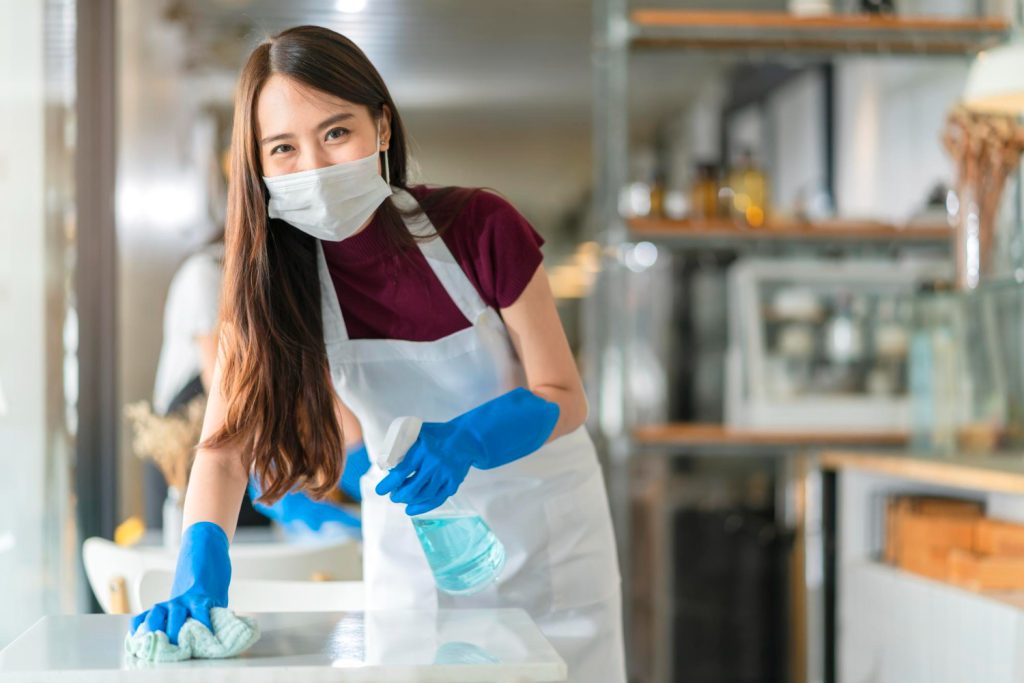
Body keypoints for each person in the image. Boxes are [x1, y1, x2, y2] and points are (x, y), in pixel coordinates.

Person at [131, 25, 625, 681]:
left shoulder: (480, 227)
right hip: (415, 547)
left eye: (337, 132)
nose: (315, 166)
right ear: (257, 166)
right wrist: (197, 565)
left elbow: (564, 394)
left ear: (382, 128)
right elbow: (224, 448)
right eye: (283, 148)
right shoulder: (273, 283)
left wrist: (472, 438)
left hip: (547, 537)